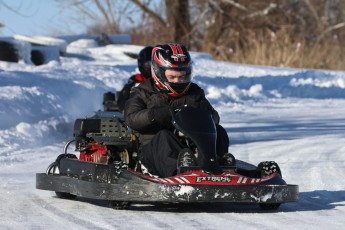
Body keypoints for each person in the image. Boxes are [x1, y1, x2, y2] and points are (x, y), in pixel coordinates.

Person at [124, 43, 233, 178]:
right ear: (159, 73)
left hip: (191, 148)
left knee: (219, 131)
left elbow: (214, 117)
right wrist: (155, 115)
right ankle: (178, 173)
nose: (179, 81)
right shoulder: (142, 92)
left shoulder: (194, 92)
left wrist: (200, 113)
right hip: (153, 153)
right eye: (173, 77)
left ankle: (221, 167)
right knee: (164, 136)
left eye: (183, 77)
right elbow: (131, 118)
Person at [116, 46, 153, 112]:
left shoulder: (163, 78)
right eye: (148, 64)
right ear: (141, 64)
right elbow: (122, 101)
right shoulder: (136, 79)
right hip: (137, 114)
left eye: (153, 64)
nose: (151, 67)